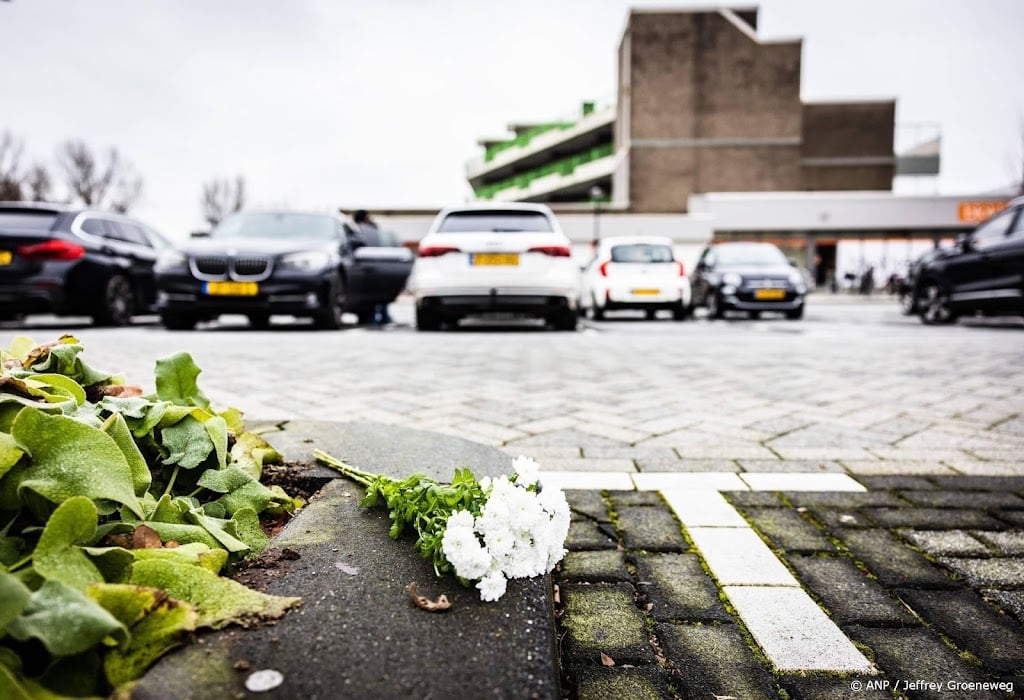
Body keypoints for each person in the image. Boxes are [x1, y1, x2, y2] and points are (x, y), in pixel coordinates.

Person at [350, 209, 391, 325]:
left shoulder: (360, 230)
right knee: (376, 295)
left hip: (370, 267)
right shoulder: (364, 231)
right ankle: (378, 318)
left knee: (378, 294)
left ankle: (381, 317)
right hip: (371, 267)